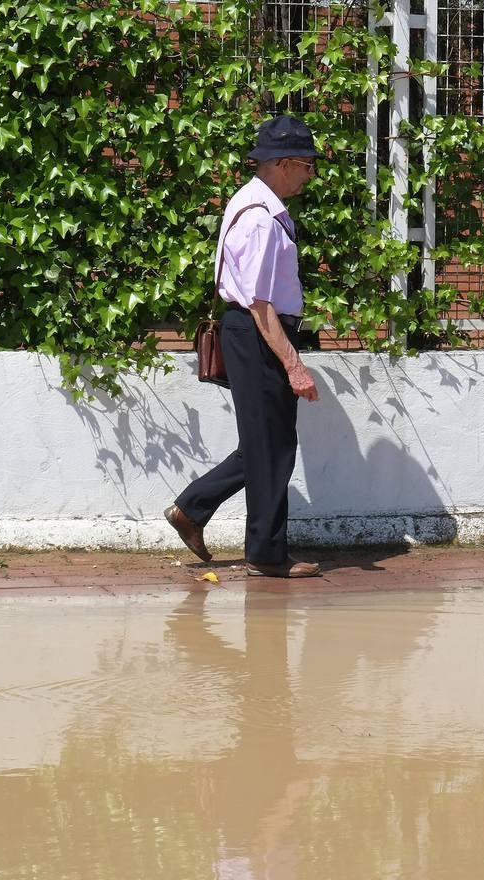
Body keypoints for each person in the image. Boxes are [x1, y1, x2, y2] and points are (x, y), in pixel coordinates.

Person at [164, 115, 323, 578]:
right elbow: (260, 305)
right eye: (307, 165)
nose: (311, 174)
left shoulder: (259, 206)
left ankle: (192, 510)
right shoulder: (259, 220)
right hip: (257, 334)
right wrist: (295, 367)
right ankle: (267, 555)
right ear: (284, 164)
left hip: (252, 334)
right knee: (272, 446)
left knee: (266, 442)